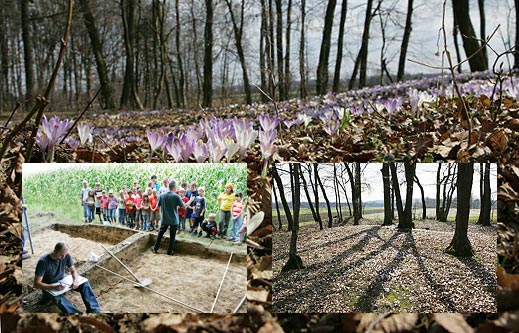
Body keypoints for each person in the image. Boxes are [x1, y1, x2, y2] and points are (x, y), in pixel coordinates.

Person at [33, 242, 100, 313]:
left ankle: (94, 310)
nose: (64, 257)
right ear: (55, 251)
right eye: (61, 255)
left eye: (65, 255)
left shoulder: (66, 255)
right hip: (49, 286)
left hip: (63, 280)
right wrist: (54, 287)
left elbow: (73, 271)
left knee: (85, 284)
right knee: (59, 299)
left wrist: (75, 281)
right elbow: (36, 284)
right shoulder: (43, 262)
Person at [151, 180, 194, 255]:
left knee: (160, 234)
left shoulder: (162, 196)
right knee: (172, 236)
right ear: (174, 187)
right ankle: (169, 251)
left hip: (164, 219)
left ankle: (155, 248)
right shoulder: (176, 196)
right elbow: (184, 207)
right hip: (174, 220)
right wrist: (190, 200)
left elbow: (157, 207)